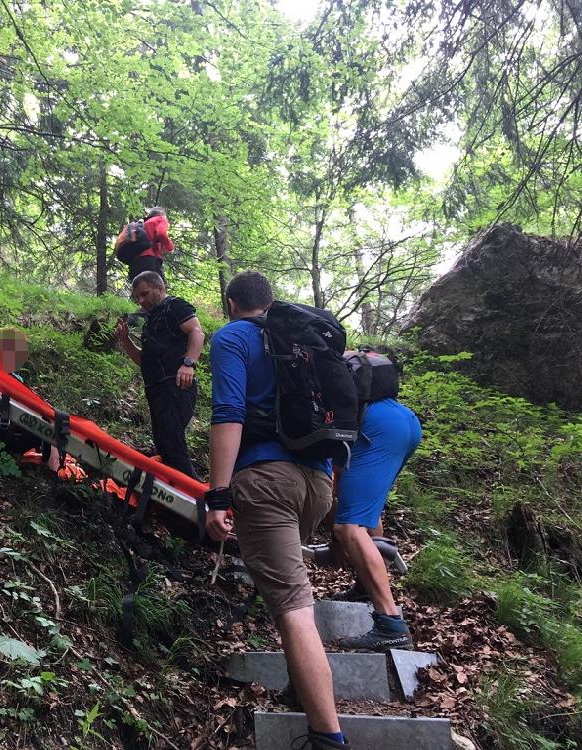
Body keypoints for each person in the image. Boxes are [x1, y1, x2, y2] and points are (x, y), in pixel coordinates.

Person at [204, 271, 348, 750]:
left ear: (231, 303)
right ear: (269, 302)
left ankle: (328, 737)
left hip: (266, 482)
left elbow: (229, 414)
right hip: (316, 483)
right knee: (290, 597)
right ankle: (301, 691)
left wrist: (218, 494)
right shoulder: (301, 340)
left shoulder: (233, 338)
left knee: (293, 609)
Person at [331, 351, 422, 651]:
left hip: (378, 428)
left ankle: (390, 624)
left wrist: (339, 535)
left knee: (349, 528)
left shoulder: (326, 400)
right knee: (364, 514)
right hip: (404, 420)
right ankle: (364, 586)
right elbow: (341, 479)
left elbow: (332, 481)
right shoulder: (353, 391)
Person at [115, 271, 204, 479]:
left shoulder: (174, 306)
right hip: (156, 390)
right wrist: (125, 340)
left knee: (171, 445)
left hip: (175, 385)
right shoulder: (151, 321)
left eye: (145, 294)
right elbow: (142, 359)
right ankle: (174, 490)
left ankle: (194, 492)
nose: (141, 301)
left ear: (160, 288)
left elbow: (197, 332)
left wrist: (189, 363)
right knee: (164, 445)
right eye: (137, 297)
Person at [0, 328, 60, 470]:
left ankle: (52, 473)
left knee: (50, 430)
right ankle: (50, 473)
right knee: (48, 431)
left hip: (8, 428)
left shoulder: (17, 380)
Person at [116, 207, 174, 282]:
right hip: (149, 261)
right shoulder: (160, 218)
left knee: (139, 288)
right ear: (162, 214)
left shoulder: (142, 225)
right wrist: (170, 247)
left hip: (134, 264)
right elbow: (161, 234)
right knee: (158, 287)